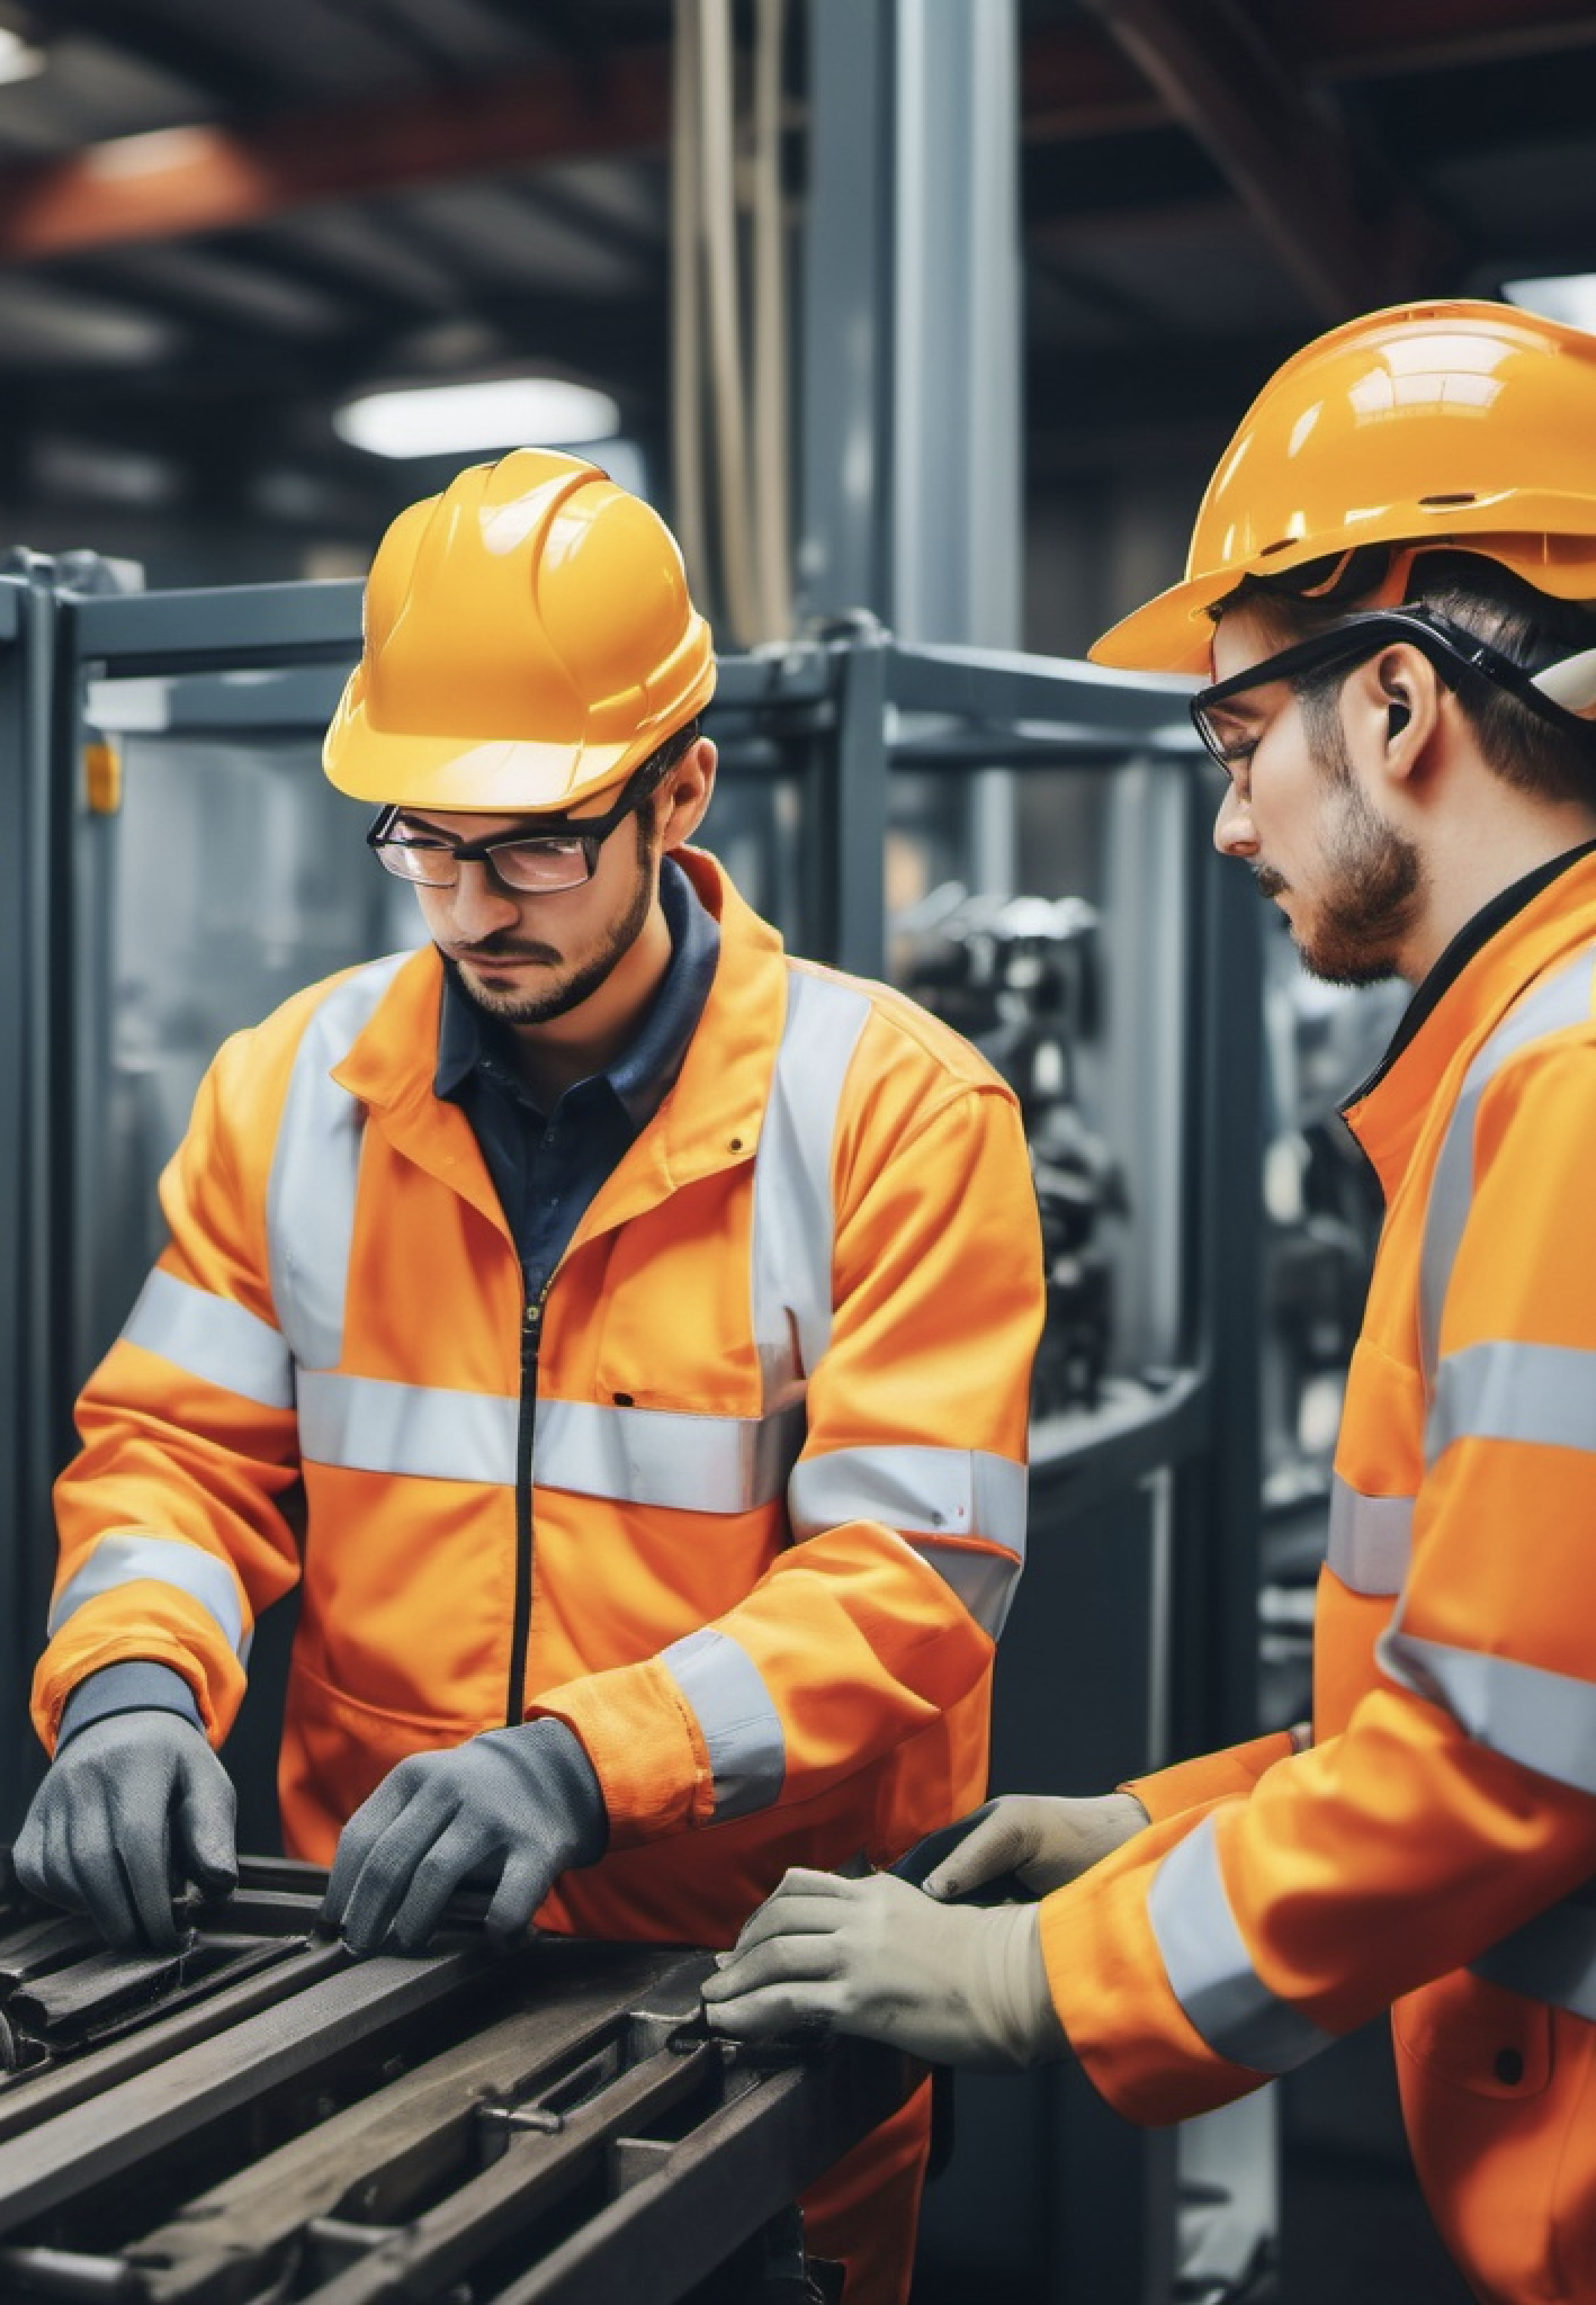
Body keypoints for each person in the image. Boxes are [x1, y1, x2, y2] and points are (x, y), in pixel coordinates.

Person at [12, 447, 1044, 2300]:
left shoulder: (887, 1110)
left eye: (535, 843)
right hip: (370, 1978)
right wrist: (129, 1687)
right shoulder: (291, 1086)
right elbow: (173, 1451)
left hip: (748, 2009)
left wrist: (584, 1762)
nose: (477, 905)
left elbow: (914, 1578)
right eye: (424, 839)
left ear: (681, 790)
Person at [702, 300, 1596, 2305]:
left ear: (1393, 705)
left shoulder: (1570, 1082)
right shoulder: (1528, 1061)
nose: (1220, 818)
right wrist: (1158, 1820)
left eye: (1231, 734)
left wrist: (1044, 1969)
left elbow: (1509, 1767)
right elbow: (1523, 1679)